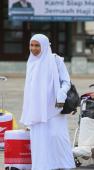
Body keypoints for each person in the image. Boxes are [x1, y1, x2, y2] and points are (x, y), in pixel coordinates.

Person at [20, 34, 75, 170]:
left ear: (44, 45)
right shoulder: (31, 62)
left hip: (55, 107)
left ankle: (63, 164)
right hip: (37, 110)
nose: (34, 48)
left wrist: (61, 94)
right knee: (39, 139)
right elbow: (29, 90)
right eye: (31, 45)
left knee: (57, 136)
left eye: (37, 45)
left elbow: (66, 81)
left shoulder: (55, 60)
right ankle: (43, 166)